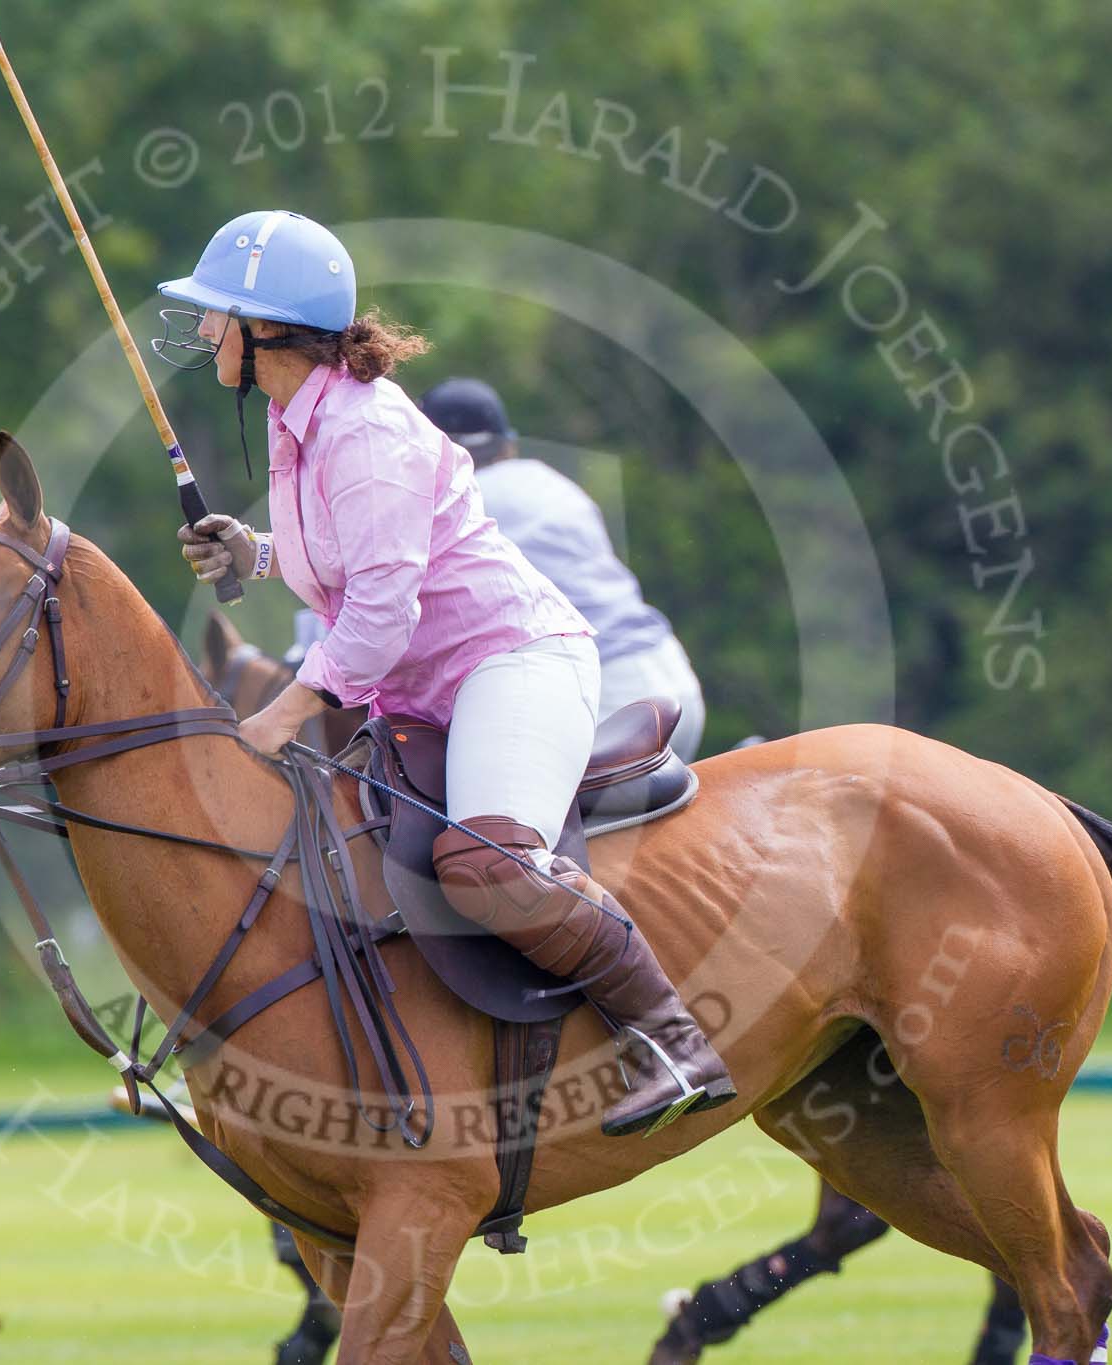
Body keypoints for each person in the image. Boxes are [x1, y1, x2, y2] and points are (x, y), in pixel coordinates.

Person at [153, 209, 733, 1137]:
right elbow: (354, 555)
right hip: (426, 693)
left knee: (486, 862)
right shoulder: (298, 417)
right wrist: (255, 551)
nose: (205, 330)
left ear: (269, 330)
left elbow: (383, 612)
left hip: (512, 665)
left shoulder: (364, 430)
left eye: (218, 312)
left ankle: (674, 1039)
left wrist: (286, 709)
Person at [417, 378, 708, 762]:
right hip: (671, 675)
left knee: (503, 812)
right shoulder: (552, 481)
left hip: (606, 695)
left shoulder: (455, 503)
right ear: (508, 443)